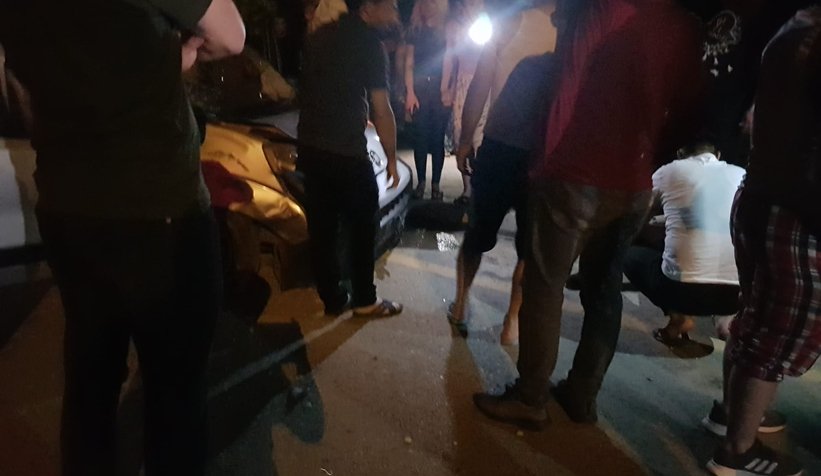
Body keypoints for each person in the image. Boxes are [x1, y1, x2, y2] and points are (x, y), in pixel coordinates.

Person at [0, 0, 245, 475]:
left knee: (90, 381)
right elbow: (231, 35)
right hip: (157, 212)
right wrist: (174, 56)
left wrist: (153, 62)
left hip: (67, 208)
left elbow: (39, 83)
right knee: (175, 395)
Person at [472, 0, 705, 430]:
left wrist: (543, 162)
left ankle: (530, 397)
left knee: (545, 285)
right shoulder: (683, 24)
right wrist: (652, 162)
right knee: (604, 288)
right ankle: (582, 395)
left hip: (575, 171)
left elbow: (568, 80)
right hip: (636, 182)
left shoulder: (601, 8)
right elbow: (689, 110)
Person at [704, 7, 821, 476]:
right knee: (774, 339)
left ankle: (733, 416)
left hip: (761, 195)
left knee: (754, 321)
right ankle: (738, 449)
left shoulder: (796, 28)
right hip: (800, 212)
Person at [448, 0, 557, 346]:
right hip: (542, 156)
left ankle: (460, 306)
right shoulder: (570, 32)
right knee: (529, 246)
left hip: (499, 148)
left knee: (477, 234)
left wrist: (465, 140)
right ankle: (512, 321)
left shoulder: (510, 24)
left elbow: (480, 85)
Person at [298, 0, 404, 318]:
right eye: (390, 6)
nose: (395, 13)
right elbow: (381, 108)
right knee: (362, 227)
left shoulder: (318, 37)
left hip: (310, 148)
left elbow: (321, 90)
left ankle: (332, 299)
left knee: (323, 230)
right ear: (367, 9)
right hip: (346, 152)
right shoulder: (370, 44)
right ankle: (364, 300)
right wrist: (391, 159)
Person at [623, 143, 745, 346]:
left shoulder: (669, 171)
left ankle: (679, 317)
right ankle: (727, 320)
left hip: (682, 294)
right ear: (718, 154)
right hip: (734, 297)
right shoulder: (740, 173)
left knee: (627, 253)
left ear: (680, 153)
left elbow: (639, 210)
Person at [443, 0, 488, 206]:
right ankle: (467, 189)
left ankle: (481, 189)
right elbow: (449, 57)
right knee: (460, 134)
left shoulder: (489, 25)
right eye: (469, 3)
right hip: (462, 83)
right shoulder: (454, 26)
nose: (472, 6)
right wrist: (446, 87)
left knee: (480, 136)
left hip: (484, 84)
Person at [405, 0, 450, 200]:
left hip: (439, 86)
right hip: (421, 87)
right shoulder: (415, 30)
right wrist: (410, 92)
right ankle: (422, 182)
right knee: (420, 137)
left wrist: (446, 88)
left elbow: (449, 59)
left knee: (437, 137)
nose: (428, 6)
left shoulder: (445, 30)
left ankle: (436, 184)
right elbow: (409, 63)